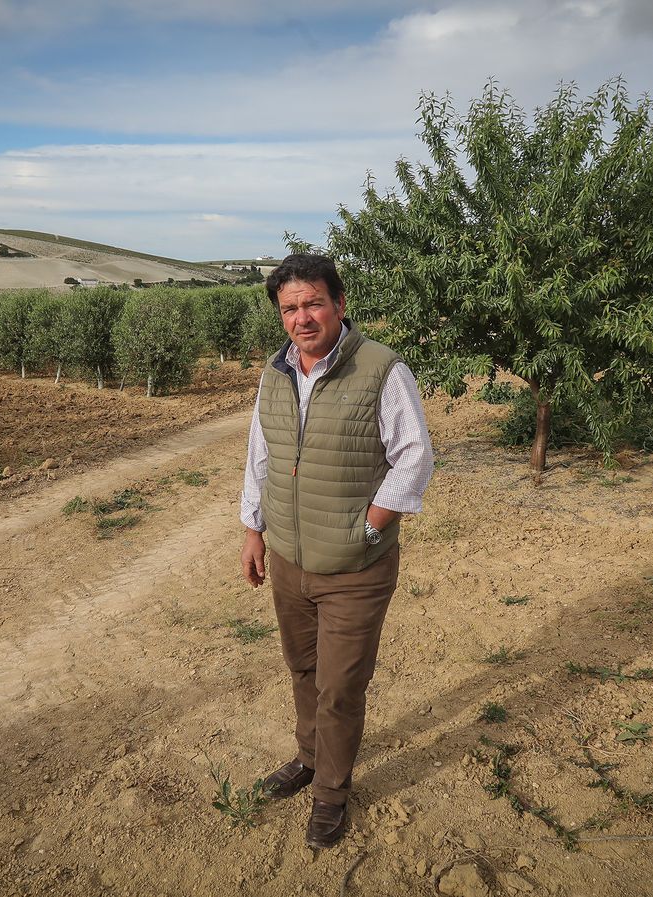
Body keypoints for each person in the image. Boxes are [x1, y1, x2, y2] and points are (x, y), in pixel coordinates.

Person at [239, 252, 434, 848]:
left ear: (339, 305)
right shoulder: (277, 374)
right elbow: (261, 455)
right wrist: (253, 528)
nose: (302, 317)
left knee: (340, 685)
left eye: (313, 303)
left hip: (354, 566)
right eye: (290, 308)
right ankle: (307, 757)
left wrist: (369, 528)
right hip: (291, 562)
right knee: (303, 669)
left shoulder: (379, 369)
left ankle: (331, 790)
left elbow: (414, 456)